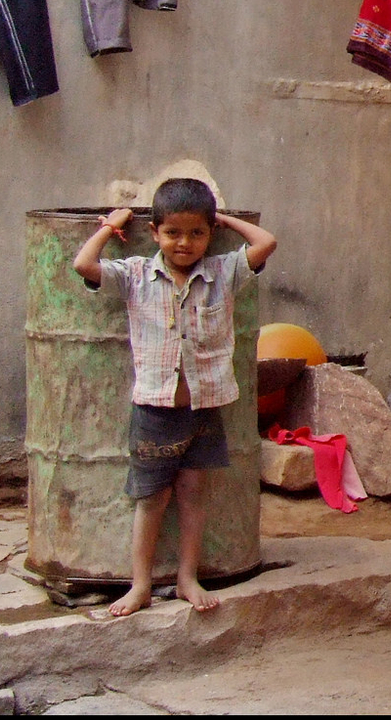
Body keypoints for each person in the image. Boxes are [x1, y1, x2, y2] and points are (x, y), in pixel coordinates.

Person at [71, 178, 277, 617]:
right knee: (151, 500)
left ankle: (187, 576)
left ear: (210, 234)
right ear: (154, 233)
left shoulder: (222, 273)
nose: (185, 243)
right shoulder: (135, 276)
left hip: (203, 410)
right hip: (154, 411)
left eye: (197, 233)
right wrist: (112, 225)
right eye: (173, 233)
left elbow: (266, 241)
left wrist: (220, 218)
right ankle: (140, 584)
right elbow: (83, 264)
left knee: (193, 493)